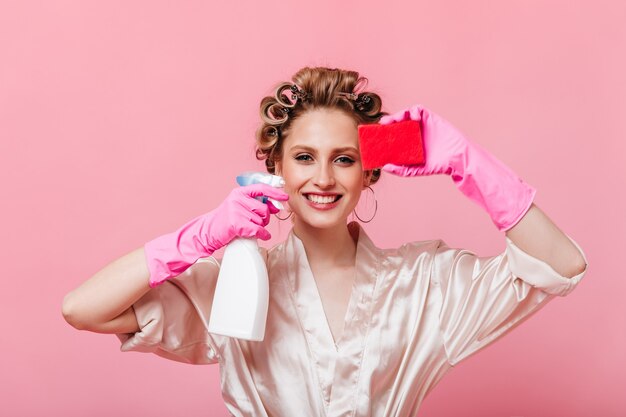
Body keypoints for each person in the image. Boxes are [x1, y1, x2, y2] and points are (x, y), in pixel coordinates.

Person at [62, 66, 588, 416]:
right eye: (304, 157)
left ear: (368, 173)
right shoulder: (237, 284)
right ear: (277, 170)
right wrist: (199, 237)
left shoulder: (425, 283)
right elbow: (83, 308)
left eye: (343, 159)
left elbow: (559, 264)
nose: (323, 179)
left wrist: (468, 163)